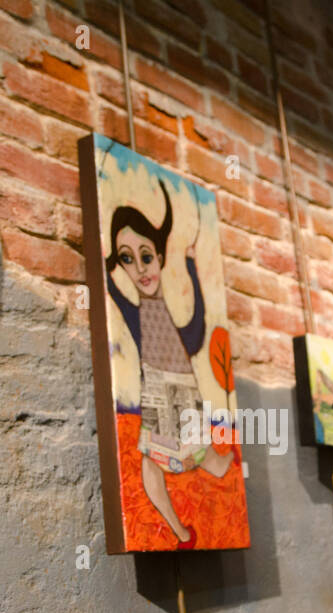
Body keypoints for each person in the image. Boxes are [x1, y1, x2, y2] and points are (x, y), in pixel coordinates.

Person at [105, 181, 232, 550]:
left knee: (191, 451)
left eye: (147, 255)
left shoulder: (162, 318)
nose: (141, 268)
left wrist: (191, 267)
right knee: (153, 460)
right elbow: (112, 289)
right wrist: (108, 264)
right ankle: (179, 531)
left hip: (182, 388)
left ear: (160, 257)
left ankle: (194, 511)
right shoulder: (136, 313)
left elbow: (196, 329)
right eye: (127, 259)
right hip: (159, 390)